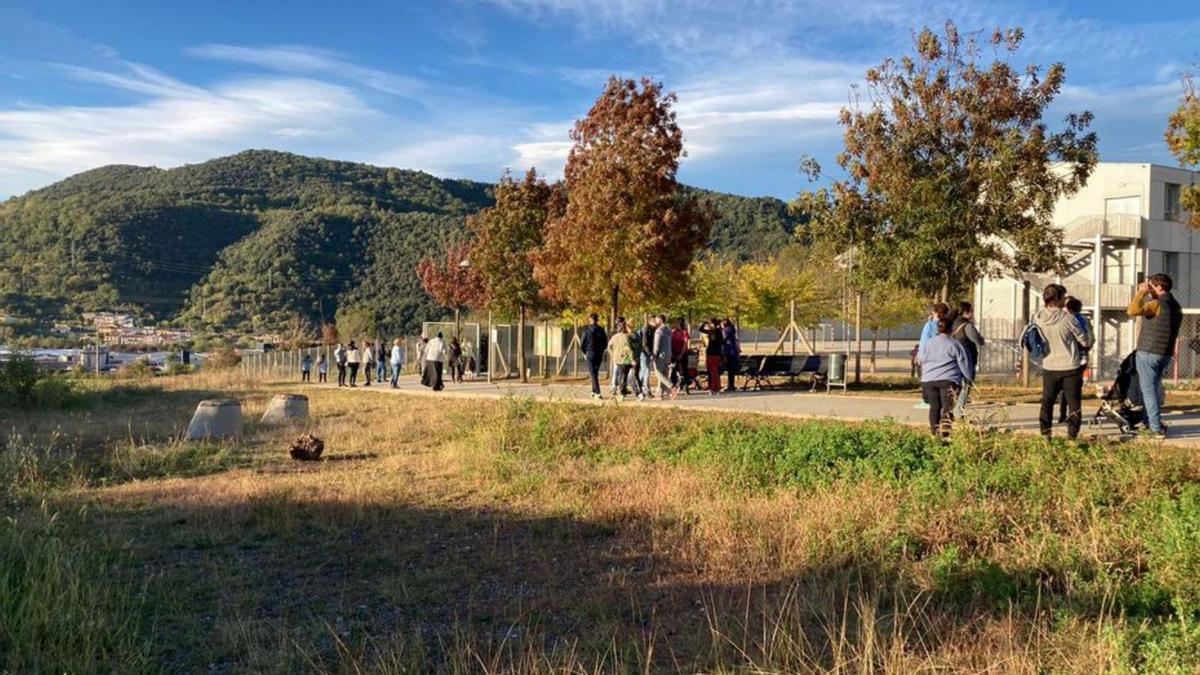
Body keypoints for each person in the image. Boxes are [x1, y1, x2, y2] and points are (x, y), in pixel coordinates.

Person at [1034, 284, 1094, 439]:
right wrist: (1088, 331)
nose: (1065, 301)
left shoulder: (1037, 318)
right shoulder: (1069, 319)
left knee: (1047, 402)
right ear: (1057, 298)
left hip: (1048, 365)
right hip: (1070, 366)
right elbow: (1085, 341)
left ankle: (1045, 434)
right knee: (1074, 403)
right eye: (1063, 297)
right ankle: (1072, 436)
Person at [1128, 273, 1183, 438]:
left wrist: (1141, 293)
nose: (1149, 288)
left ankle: (1155, 428)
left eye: (1151, 285)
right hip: (1164, 353)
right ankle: (1148, 421)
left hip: (1149, 352)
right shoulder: (1175, 305)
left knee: (1148, 390)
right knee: (1153, 388)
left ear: (1159, 287)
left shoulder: (1156, 304)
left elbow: (1132, 310)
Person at [917, 316, 972, 437]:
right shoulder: (954, 344)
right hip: (948, 379)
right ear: (951, 329)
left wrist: (923, 377)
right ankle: (946, 430)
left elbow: (921, 359)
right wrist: (968, 378)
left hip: (929, 379)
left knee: (935, 406)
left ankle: (934, 433)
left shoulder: (928, 343)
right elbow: (963, 361)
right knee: (947, 406)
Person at [1058, 297, 1091, 423]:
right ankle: (1074, 413)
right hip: (1082, 357)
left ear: (1069, 308)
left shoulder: (1069, 320)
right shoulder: (1083, 320)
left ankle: (1063, 413)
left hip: (1071, 357)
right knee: (1075, 388)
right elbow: (1087, 339)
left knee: (1064, 388)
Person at [950, 302, 985, 418]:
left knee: (957, 386)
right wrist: (981, 339)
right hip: (966, 358)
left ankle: (953, 410)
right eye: (971, 311)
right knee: (967, 384)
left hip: (953, 359)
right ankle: (959, 411)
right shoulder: (967, 326)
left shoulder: (952, 324)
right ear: (966, 312)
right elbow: (978, 341)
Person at [915, 303, 951, 409]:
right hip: (945, 357)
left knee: (928, 377)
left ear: (935, 313)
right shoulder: (949, 324)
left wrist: (920, 356)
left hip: (930, 357)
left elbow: (924, 341)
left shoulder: (930, 325)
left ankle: (927, 400)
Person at [607, 319, 641, 401]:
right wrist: (632, 359)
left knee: (621, 376)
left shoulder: (614, 337)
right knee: (627, 377)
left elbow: (609, 346)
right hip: (625, 360)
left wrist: (613, 355)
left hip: (618, 359)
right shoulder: (626, 337)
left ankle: (621, 392)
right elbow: (628, 348)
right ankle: (629, 393)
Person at [580, 313, 608, 399]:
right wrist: (602, 350)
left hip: (590, 353)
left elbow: (582, 344)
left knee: (593, 373)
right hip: (599, 353)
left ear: (590, 320)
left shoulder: (586, 330)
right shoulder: (601, 329)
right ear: (597, 320)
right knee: (595, 372)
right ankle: (593, 391)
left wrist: (585, 353)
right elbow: (605, 342)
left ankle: (598, 392)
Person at [651, 314, 673, 399]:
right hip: (668, 354)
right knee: (664, 374)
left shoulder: (659, 331)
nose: (655, 321)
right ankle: (659, 394)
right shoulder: (668, 329)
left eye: (656, 320)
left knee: (658, 373)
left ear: (660, 320)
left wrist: (654, 355)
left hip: (660, 355)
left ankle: (671, 386)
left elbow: (656, 345)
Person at [703, 318, 724, 395]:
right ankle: (716, 387)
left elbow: (701, 329)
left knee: (712, 372)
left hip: (712, 354)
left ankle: (714, 388)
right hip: (717, 354)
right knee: (715, 372)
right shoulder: (719, 331)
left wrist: (705, 323)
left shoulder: (712, 331)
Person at [609, 316, 627, 397]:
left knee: (617, 372)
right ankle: (615, 388)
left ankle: (618, 388)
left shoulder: (617, 331)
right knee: (618, 372)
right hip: (619, 355)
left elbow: (609, 345)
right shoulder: (616, 332)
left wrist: (612, 353)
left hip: (617, 355)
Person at [721, 318, 740, 393]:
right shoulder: (731, 329)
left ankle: (730, 385)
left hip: (729, 351)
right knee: (731, 370)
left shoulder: (727, 330)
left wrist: (720, 342)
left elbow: (724, 340)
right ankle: (731, 385)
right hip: (733, 351)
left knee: (730, 369)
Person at [670, 318, 690, 390]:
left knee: (683, 369)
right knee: (675, 369)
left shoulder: (683, 332)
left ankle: (684, 385)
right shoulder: (674, 332)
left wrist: (681, 354)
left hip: (681, 353)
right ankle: (674, 384)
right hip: (675, 353)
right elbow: (671, 343)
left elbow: (685, 344)